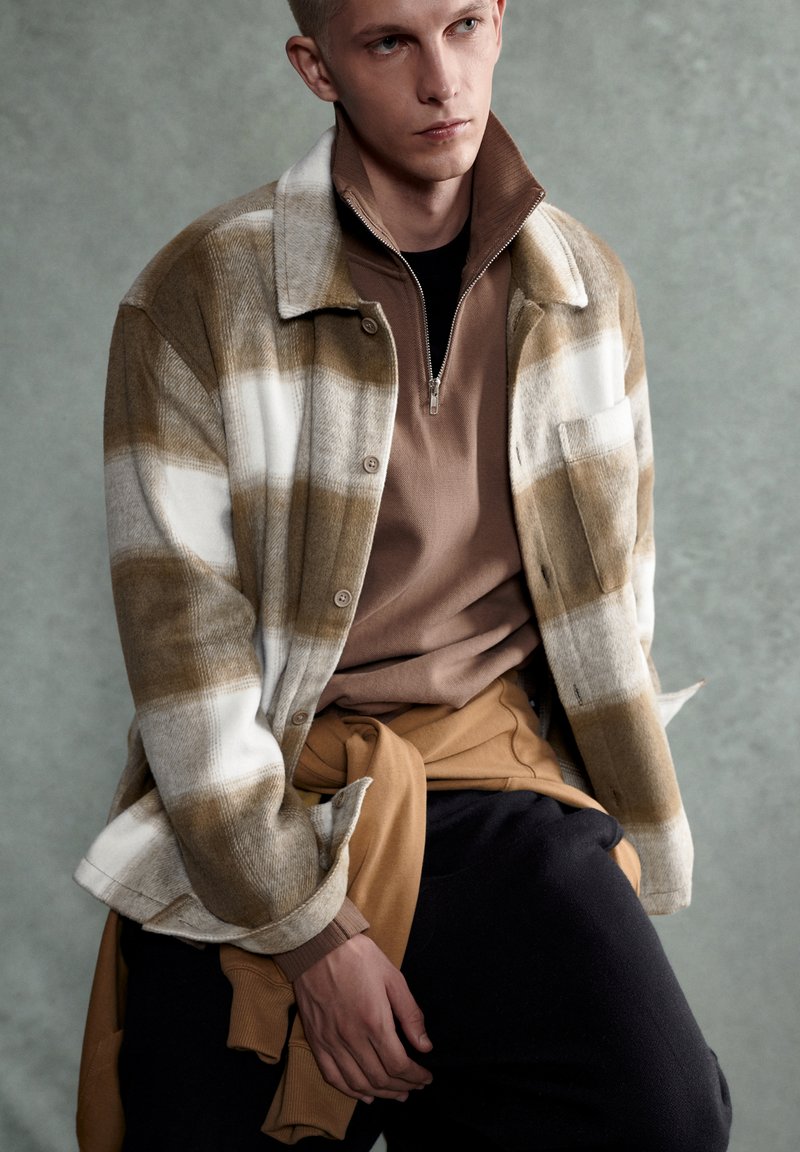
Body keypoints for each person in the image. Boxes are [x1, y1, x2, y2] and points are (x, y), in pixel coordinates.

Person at [75, 2, 732, 1149]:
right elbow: (184, 662)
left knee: (660, 1116)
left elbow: (611, 605)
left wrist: (602, 852)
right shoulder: (200, 294)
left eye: (463, 23)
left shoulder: (581, 285)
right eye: (388, 42)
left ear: (499, 22)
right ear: (316, 66)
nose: (442, 78)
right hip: (270, 795)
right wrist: (310, 934)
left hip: (500, 791)